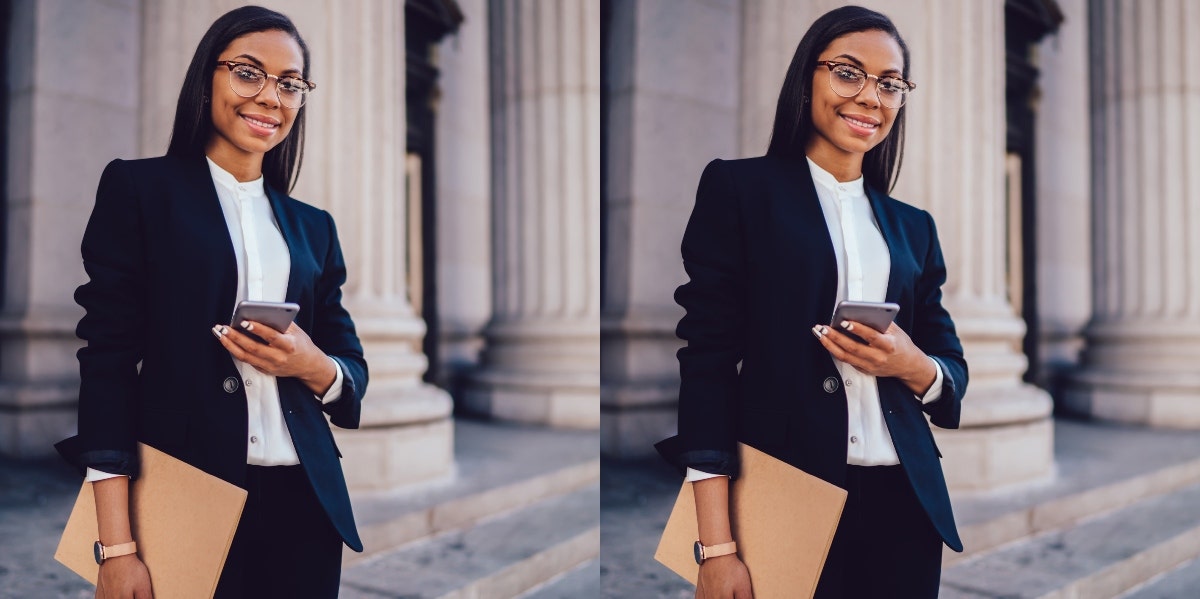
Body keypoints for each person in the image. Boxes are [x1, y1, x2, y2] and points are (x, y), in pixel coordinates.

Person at [54, 6, 368, 598]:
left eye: (289, 83)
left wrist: (312, 365)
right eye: (248, 72)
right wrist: (115, 546)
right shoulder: (140, 190)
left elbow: (351, 367)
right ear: (208, 76)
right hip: (184, 493)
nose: (270, 96)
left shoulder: (313, 228)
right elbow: (108, 364)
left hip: (304, 502)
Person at [656, 5, 968, 598]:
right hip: (784, 492)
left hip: (904, 502)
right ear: (809, 76)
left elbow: (950, 365)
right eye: (848, 72)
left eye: (890, 83)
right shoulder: (740, 190)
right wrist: (716, 546)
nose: (870, 97)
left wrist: (913, 366)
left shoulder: (914, 228)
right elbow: (708, 364)